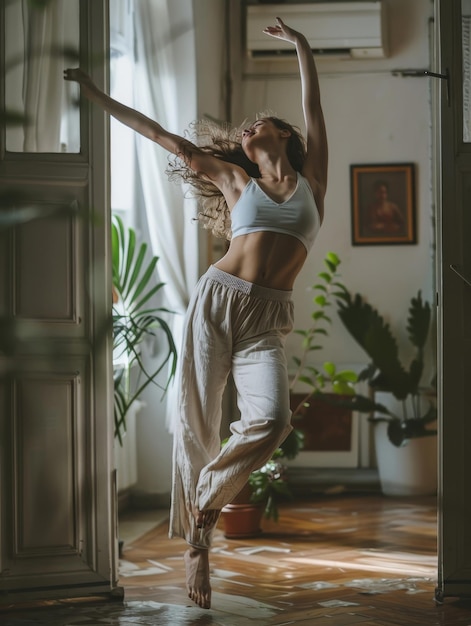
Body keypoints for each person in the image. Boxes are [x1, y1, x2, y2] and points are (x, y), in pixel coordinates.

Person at [64, 17, 327, 610]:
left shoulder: (314, 181)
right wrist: (98, 96)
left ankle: (203, 501)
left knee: (273, 417)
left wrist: (302, 46)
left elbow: (315, 108)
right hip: (216, 302)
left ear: (283, 135)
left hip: (265, 320)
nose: (249, 126)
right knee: (197, 421)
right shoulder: (237, 181)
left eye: (261, 122)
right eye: (246, 126)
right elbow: (163, 137)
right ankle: (199, 545)